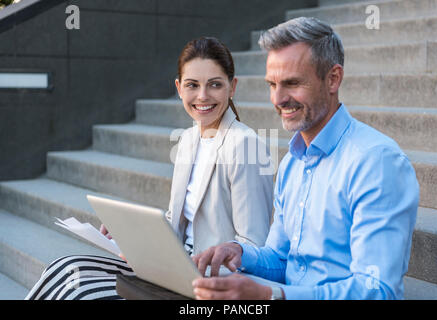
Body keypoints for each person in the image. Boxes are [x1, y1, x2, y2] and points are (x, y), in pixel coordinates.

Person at [25, 37, 274, 300]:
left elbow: (254, 246)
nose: (202, 95)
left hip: (208, 280)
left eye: (215, 84)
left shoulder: (246, 146)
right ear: (179, 88)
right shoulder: (189, 139)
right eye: (192, 85)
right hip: (171, 266)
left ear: (232, 87)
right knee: (63, 269)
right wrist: (132, 234)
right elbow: (178, 221)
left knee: (83, 294)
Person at [191, 17, 419, 300]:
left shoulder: (377, 163)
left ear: (333, 78)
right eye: (272, 85)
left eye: (292, 83)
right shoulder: (292, 163)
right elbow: (282, 260)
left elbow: (377, 289)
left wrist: (273, 296)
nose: (278, 98)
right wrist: (239, 252)